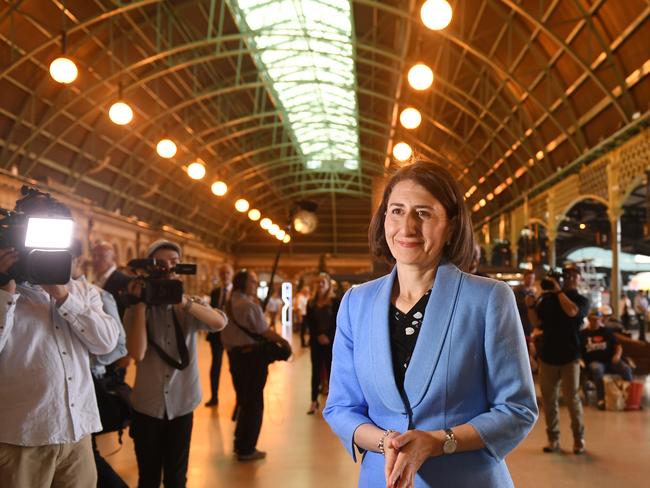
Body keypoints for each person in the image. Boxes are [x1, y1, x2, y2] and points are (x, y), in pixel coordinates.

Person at [323, 161, 537, 487]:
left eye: (423, 213)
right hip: (382, 479)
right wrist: (387, 443)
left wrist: (438, 441)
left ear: (451, 226)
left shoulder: (489, 299)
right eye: (396, 211)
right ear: (383, 219)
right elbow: (341, 406)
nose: (406, 226)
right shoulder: (356, 303)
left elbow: (516, 408)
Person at [0, 192, 121, 488]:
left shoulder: (82, 291)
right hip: (21, 439)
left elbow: (107, 344)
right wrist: (4, 290)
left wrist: (63, 296)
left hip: (77, 436)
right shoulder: (5, 291)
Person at [124, 240, 227, 488]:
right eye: (160, 262)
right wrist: (140, 304)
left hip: (182, 404)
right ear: (149, 266)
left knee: (176, 478)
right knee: (147, 478)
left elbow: (219, 323)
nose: (167, 266)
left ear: (179, 267)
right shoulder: (137, 309)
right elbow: (137, 354)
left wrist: (183, 301)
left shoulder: (189, 305)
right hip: (147, 407)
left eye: (173, 261)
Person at [71, 239, 130, 488]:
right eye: (94, 256)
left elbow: (118, 345)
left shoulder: (99, 294)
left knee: (88, 454)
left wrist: (83, 356)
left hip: (92, 381)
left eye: (100, 256)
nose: (96, 261)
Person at [221, 269, 292, 462]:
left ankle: (239, 442)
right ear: (244, 284)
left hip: (234, 357)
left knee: (243, 400)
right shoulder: (248, 306)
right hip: (252, 358)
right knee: (254, 403)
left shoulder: (227, 304)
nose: (255, 284)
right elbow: (264, 331)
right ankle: (247, 448)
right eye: (252, 281)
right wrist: (284, 342)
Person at [527, 267, 590, 454]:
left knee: (572, 399)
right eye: (567, 275)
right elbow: (537, 322)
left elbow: (572, 312)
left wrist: (559, 291)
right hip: (548, 356)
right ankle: (553, 439)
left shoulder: (581, 299)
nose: (569, 278)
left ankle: (579, 439)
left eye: (573, 276)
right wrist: (531, 306)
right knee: (549, 401)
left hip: (570, 357)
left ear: (578, 279)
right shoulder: (547, 299)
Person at [580, 309, 633, 410]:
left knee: (626, 369)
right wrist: (580, 361)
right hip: (594, 362)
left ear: (601, 319)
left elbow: (618, 346)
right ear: (589, 319)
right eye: (593, 319)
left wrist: (617, 355)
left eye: (597, 319)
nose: (595, 322)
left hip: (610, 360)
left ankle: (629, 397)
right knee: (597, 369)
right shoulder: (583, 334)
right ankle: (601, 399)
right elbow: (578, 351)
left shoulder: (607, 332)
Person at [304, 273, 339, 415]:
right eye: (318, 282)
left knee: (332, 371)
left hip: (331, 341)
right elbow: (310, 323)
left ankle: (334, 403)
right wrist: (318, 336)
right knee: (316, 371)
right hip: (316, 342)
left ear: (328, 284)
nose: (320, 285)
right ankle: (313, 401)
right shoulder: (311, 303)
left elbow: (337, 321)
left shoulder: (335, 301)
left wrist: (328, 336)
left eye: (323, 282)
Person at [205, 263, 234, 407]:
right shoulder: (215, 292)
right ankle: (214, 397)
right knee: (215, 365)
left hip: (233, 336)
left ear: (231, 274)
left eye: (227, 273)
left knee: (234, 366)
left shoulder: (236, 293)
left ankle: (239, 399)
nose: (225, 276)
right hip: (216, 335)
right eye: (222, 273)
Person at [92, 241, 132, 320]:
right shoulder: (95, 281)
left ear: (113, 258)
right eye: (94, 256)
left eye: (101, 256)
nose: (96, 259)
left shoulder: (124, 281)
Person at [513, 270, 538, 370]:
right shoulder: (519, 290)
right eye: (529, 278)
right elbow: (520, 306)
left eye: (532, 278)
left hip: (530, 324)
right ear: (524, 278)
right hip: (521, 323)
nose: (531, 280)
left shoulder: (532, 291)